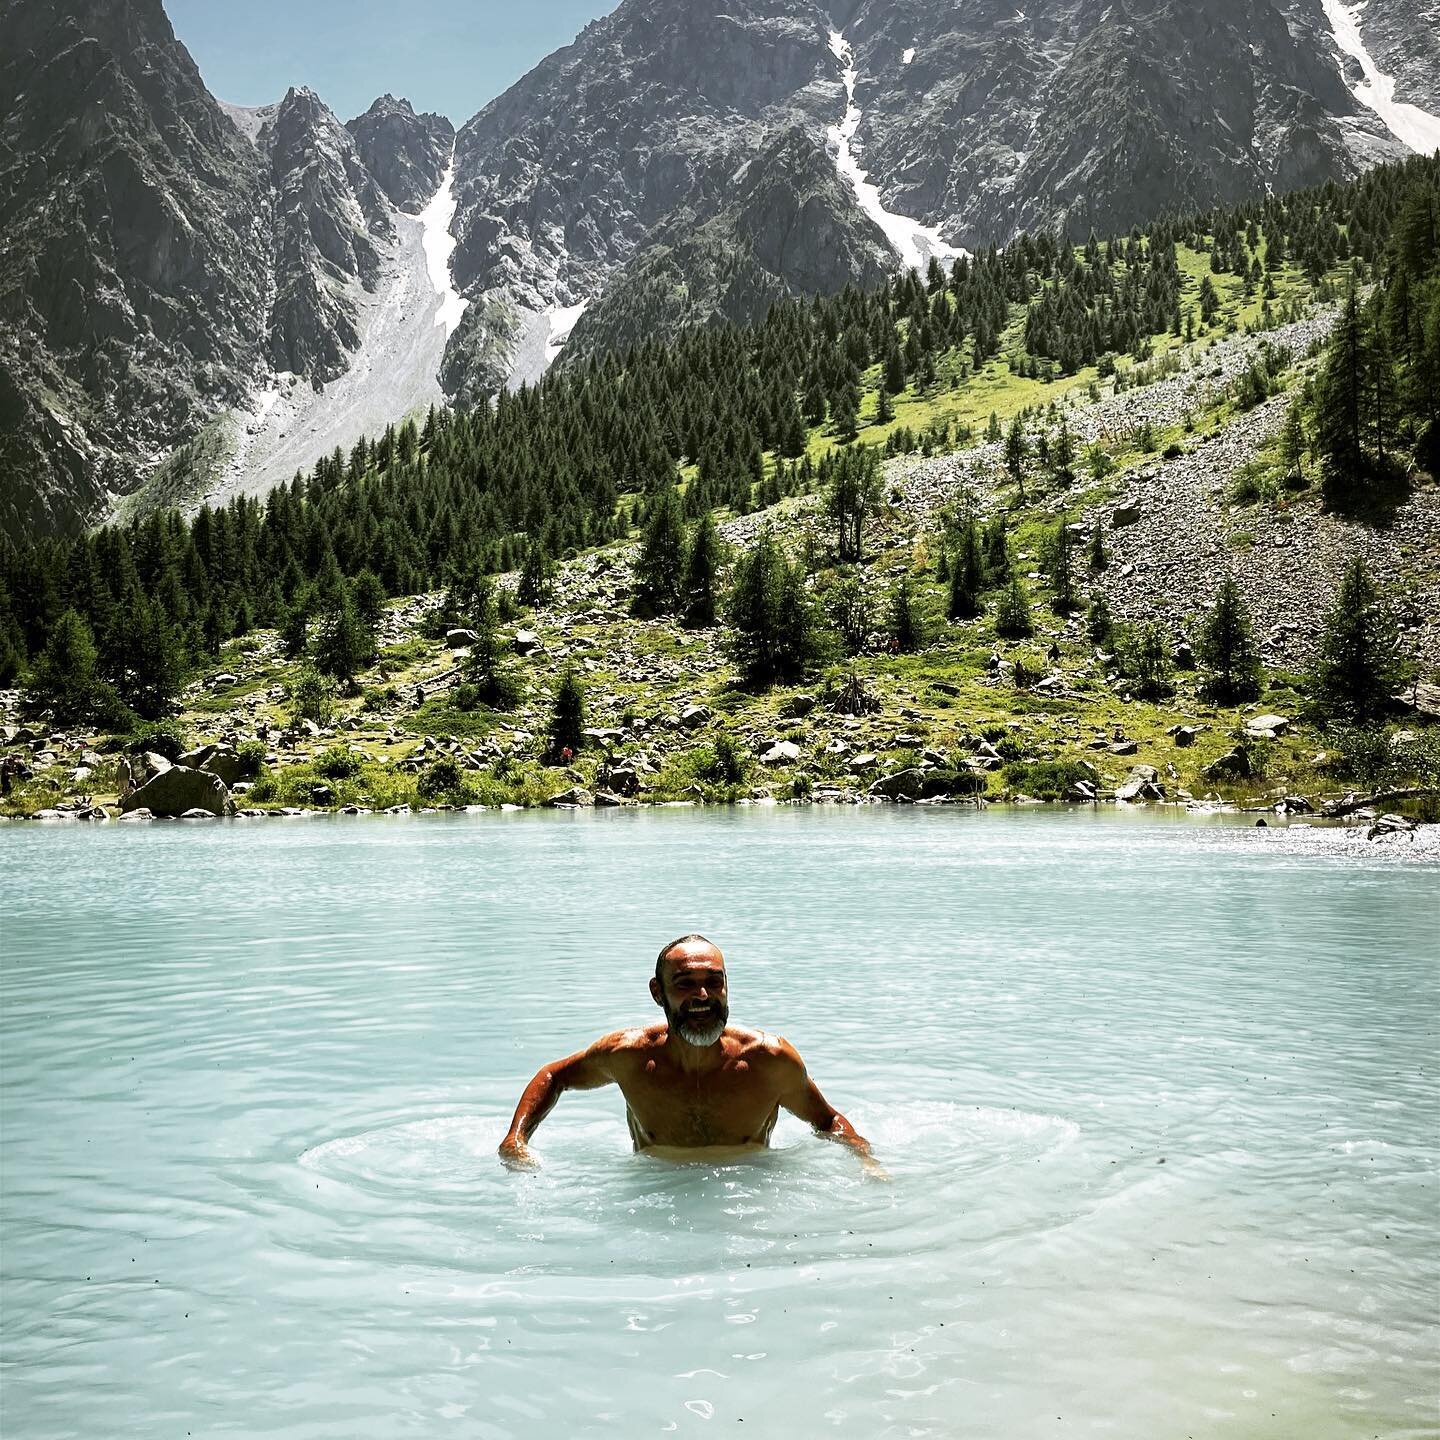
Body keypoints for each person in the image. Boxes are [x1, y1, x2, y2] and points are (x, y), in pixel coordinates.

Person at [498, 933, 885, 1178]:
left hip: (747, 1189)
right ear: (657, 992)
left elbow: (828, 1120)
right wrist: (515, 1141)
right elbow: (555, 1075)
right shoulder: (627, 1055)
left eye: (713, 983)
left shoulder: (770, 1060)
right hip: (652, 1190)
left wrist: (865, 1160)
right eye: (685, 984)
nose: (702, 997)